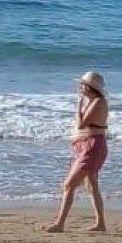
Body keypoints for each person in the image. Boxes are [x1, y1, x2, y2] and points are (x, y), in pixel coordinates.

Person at [44, 71, 109, 233]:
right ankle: (100, 224)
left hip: (92, 147)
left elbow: (82, 124)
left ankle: (60, 224)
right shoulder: (91, 101)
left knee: (69, 185)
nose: (79, 87)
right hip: (85, 146)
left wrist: (79, 106)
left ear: (90, 87)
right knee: (91, 186)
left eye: (82, 85)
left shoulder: (98, 102)